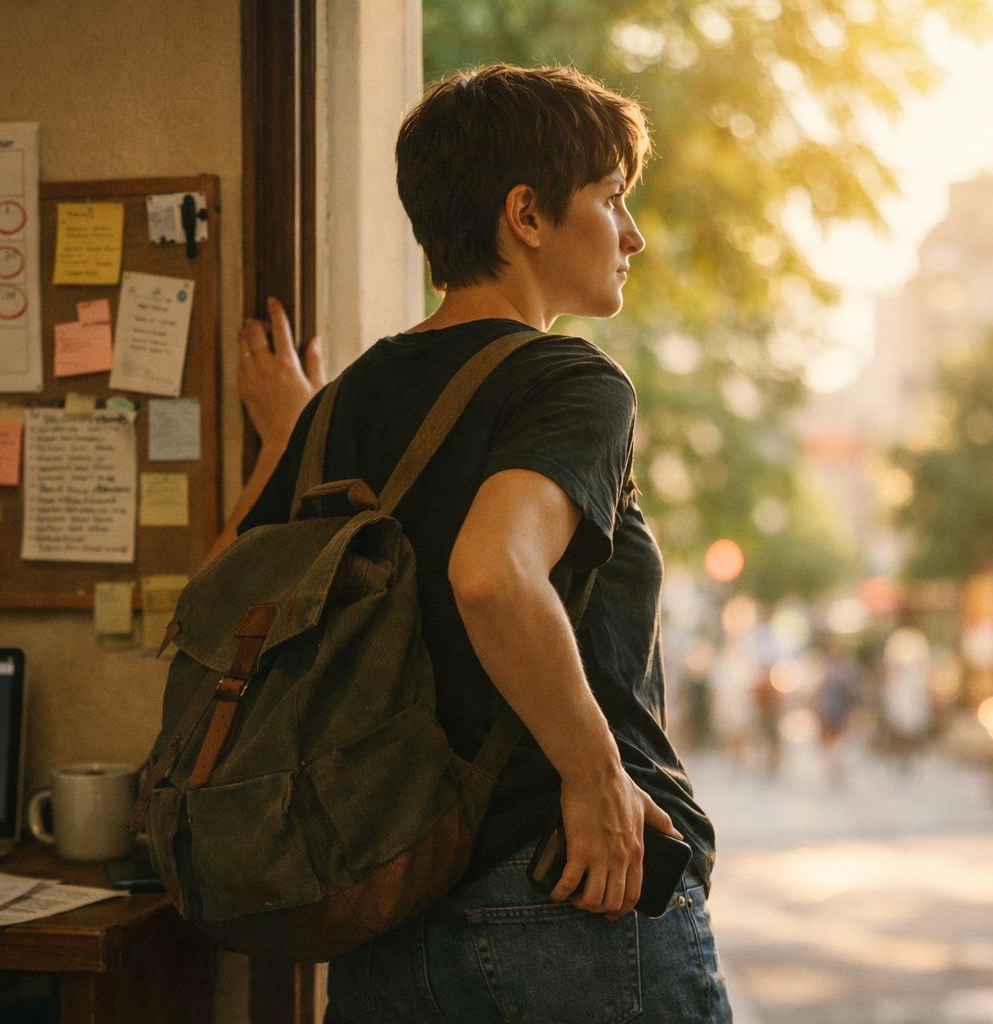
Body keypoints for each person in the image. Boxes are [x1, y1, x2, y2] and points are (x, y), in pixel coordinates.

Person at [217, 63, 731, 1023]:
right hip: (568, 886)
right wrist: (597, 778)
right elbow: (491, 574)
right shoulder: (571, 382)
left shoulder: (348, 401)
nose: (634, 235)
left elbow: (215, 593)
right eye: (612, 200)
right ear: (527, 215)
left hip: (385, 900)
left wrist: (294, 435)